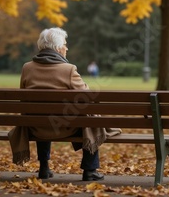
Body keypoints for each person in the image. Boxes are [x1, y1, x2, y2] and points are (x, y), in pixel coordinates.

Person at [9, 27, 121, 181]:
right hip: (65, 127)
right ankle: (90, 170)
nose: (67, 48)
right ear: (58, 48)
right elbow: (88, 98)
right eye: (65, 44)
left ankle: (44, 168)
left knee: (41, 115)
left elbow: (24, 99)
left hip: (35, 127)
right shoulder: (68, 70)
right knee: (90, 118)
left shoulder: (27, 68)